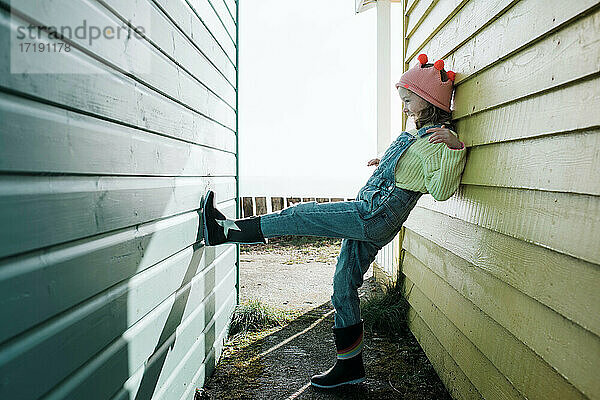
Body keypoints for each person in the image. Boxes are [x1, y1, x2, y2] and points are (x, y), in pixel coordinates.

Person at [201, 53, 467, 389]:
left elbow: (440, 189)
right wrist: (385, 163)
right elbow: (409, 170)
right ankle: (350, 369)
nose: (404, 106)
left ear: (428, 100)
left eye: (407, 99)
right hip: (372, 211)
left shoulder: (439, 140)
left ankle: (225, 232)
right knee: (343, 285)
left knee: (299, 215)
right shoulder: (420, 135)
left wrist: (456, 150)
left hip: (373, 216)